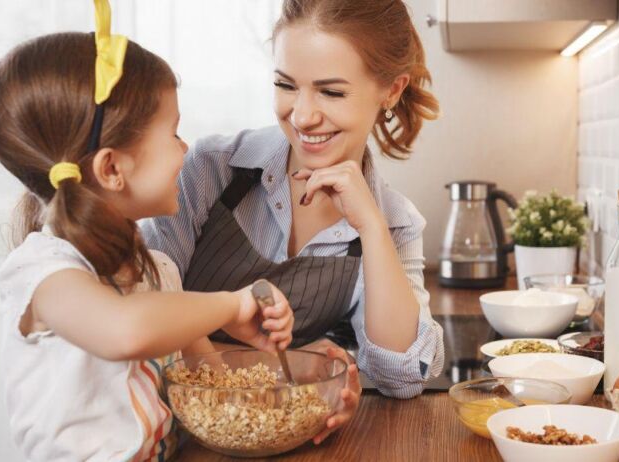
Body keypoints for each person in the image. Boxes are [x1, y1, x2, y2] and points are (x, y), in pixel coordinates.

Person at [0, 3, 292, 460]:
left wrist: (298, 392)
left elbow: (211, 387)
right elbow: (125, 331)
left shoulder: (158, 270)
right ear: (112, 168)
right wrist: (230, 305)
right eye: (173, 133)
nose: (186, 149)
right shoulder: (44, 273)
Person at [142, 0, 444, 444]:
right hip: (168, 440)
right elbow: (137, 323)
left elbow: (401, 378)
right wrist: (306, 365)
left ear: (391, 90)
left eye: (331, 92)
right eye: (286, 85)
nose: (302, 115)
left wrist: (372, 230)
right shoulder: (208, 171)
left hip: (281, 442)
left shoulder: (394, 224)